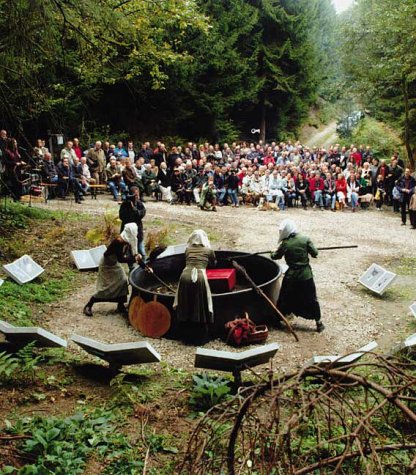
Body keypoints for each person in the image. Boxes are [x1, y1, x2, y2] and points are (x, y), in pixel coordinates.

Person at [271, 219, 324, 332]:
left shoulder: (285, 243)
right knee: (311, 298)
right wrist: (312, 249)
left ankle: (277, 320)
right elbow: (315, 254)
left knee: (284, 297)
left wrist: (272, 252)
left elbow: (275, 256)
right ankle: (319, 323)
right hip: (306, 275)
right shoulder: (305, 239)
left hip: (291, 277)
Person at [83, 223, 142, 317]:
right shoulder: (118, 242)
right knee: (107, 287)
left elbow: (133, 255)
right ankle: (90, 304)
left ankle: (121, 305)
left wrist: (142, 264)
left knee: (123, 281)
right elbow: (121, 259)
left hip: (114, 264)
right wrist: (135, 259)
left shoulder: (127, 241)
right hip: (107, 265)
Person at [173, 230, 216, 343]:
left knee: (186, 303)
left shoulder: (187, 250)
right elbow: (213, 263)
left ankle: (185, 336)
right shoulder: (208, 250)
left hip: (184, 276)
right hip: (200, 277)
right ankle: (199, 337)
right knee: (199, 304)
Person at [119, 186, 147, 259]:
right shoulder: (125, 204)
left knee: (142, 252)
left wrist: (134, 209)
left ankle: (144, 267)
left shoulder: (139, 204)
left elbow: (141, 214)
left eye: (138, 194)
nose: (137, 196)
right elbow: (121, 216)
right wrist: (128, 206)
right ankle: (131, 267)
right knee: (128, 253)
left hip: (138, 231)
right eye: (135, 195)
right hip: (127, 231)